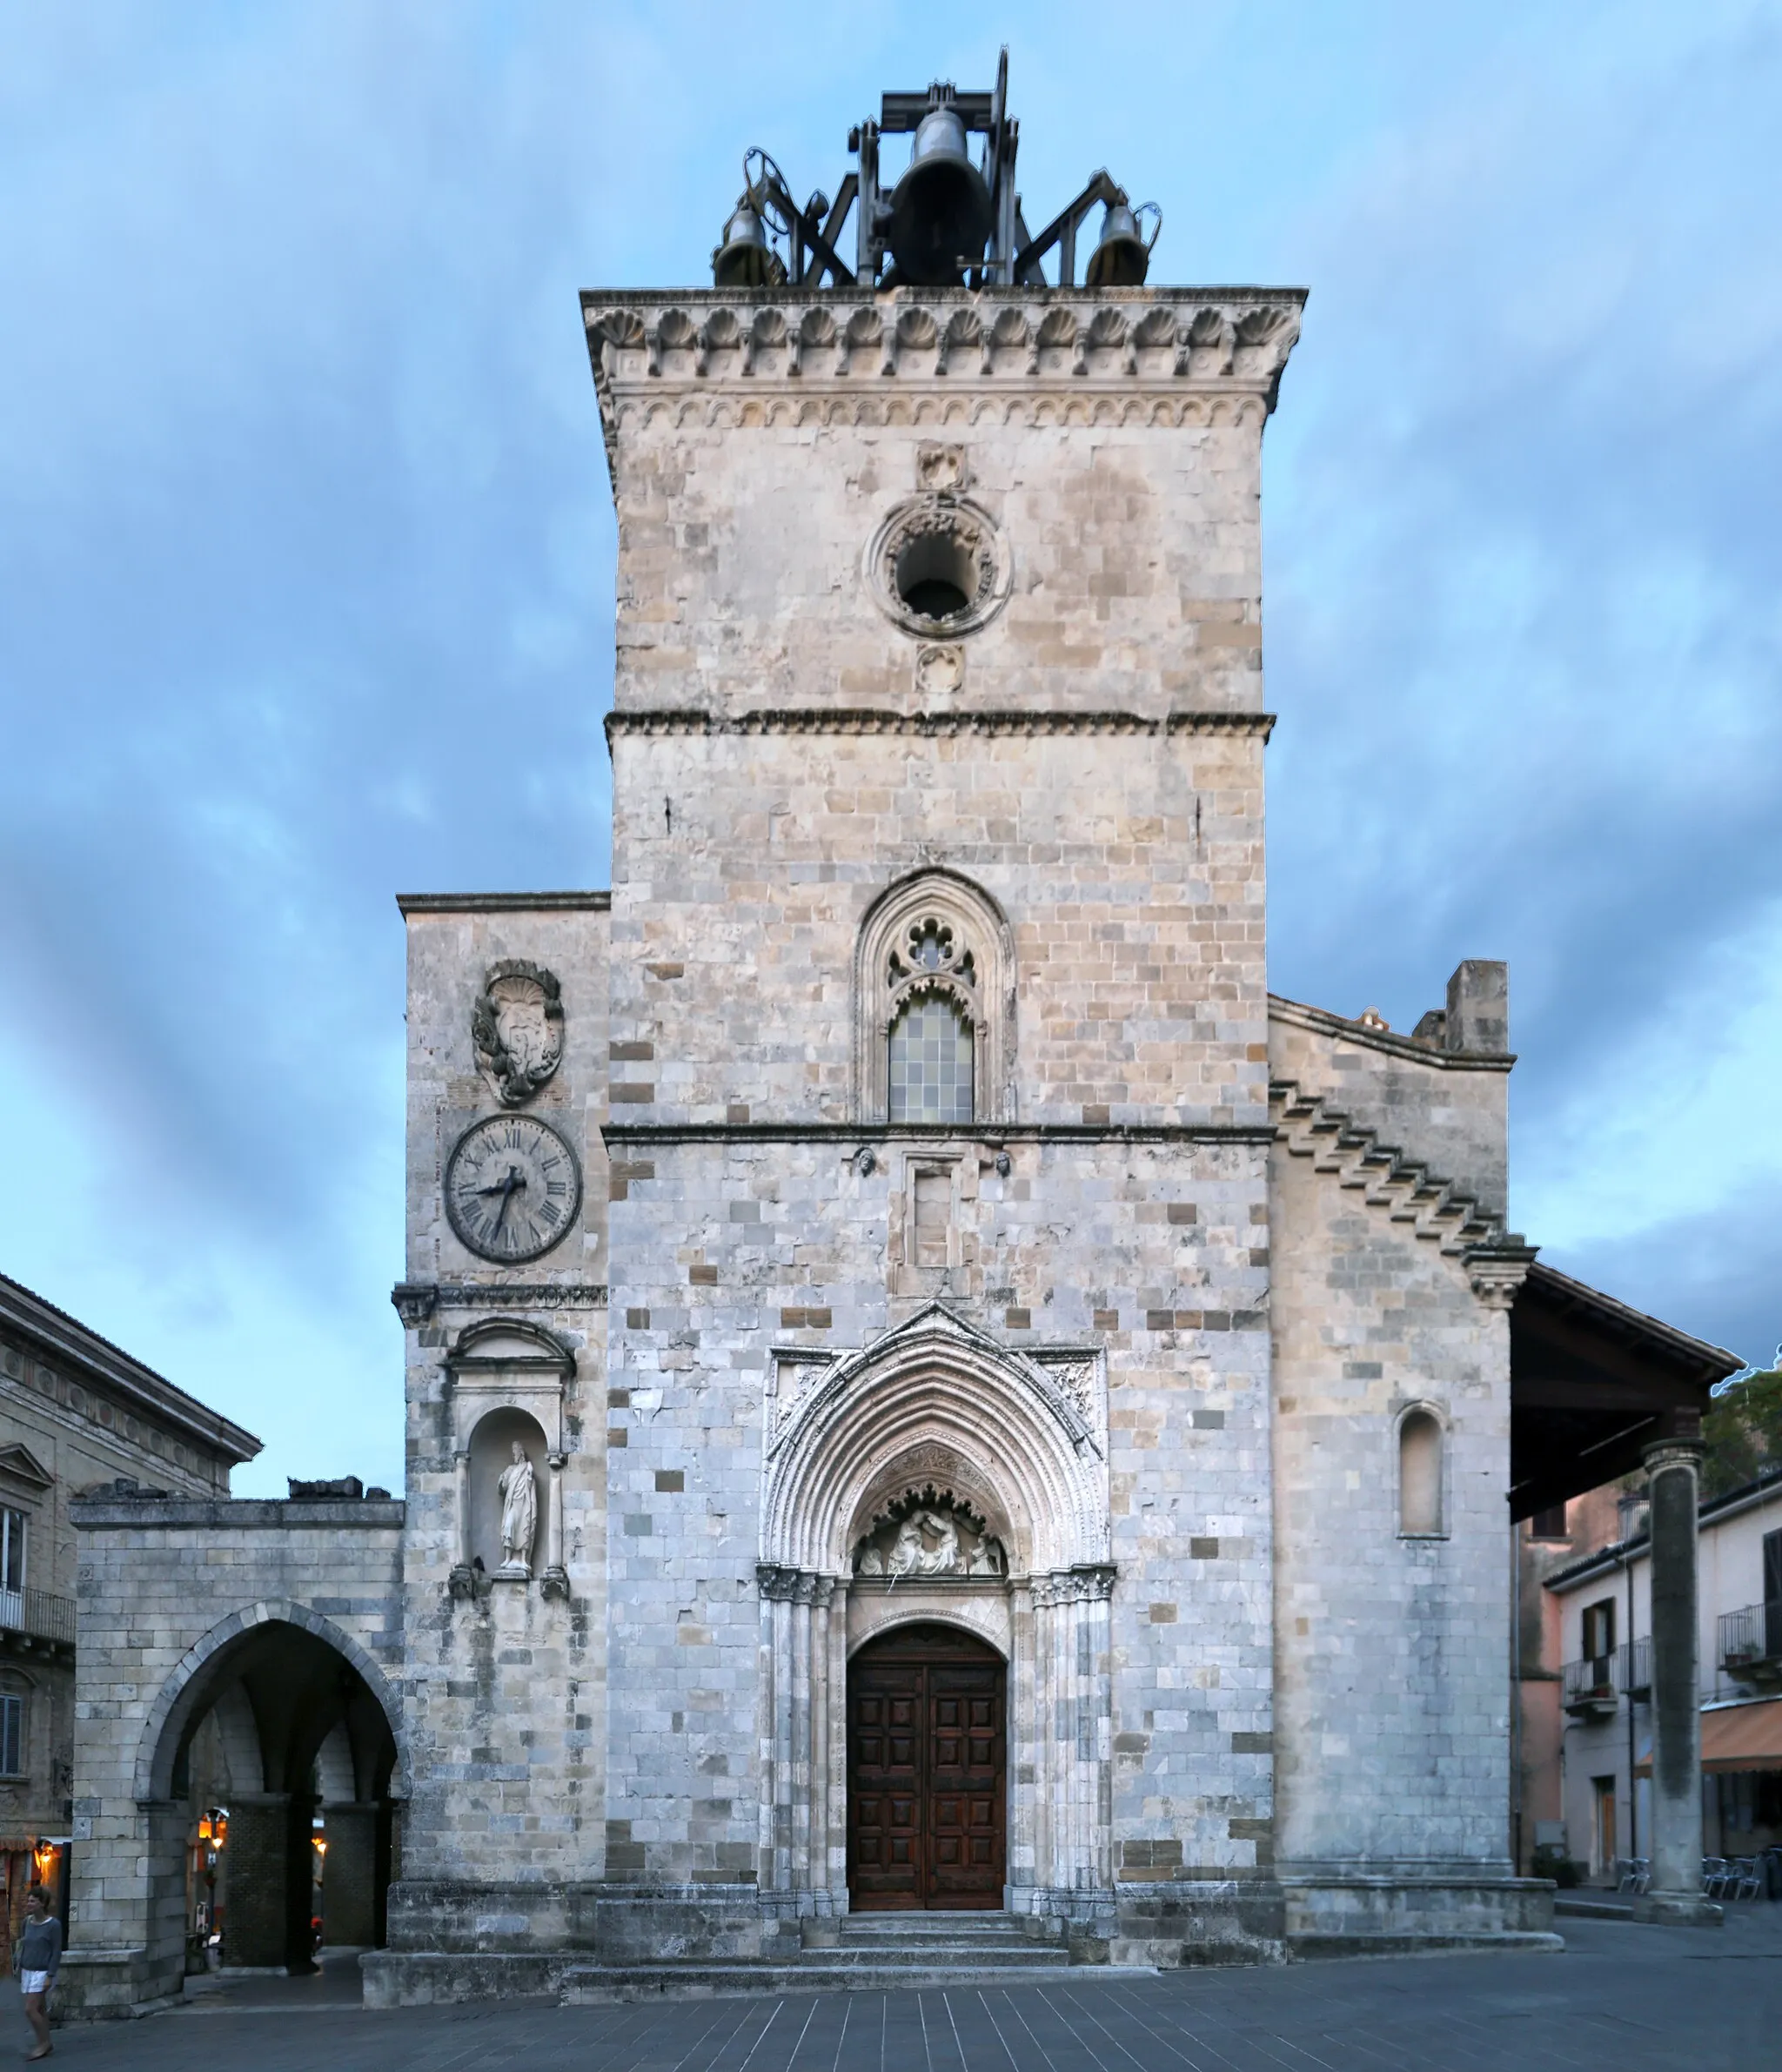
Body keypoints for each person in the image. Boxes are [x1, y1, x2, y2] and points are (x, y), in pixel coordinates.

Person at [13, 1884, 58, 2061]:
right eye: (28, 1900)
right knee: (40, 2009)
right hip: (27, 1970)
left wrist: (50, 1975)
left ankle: (43, 2043)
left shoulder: (53, 1925)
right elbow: (24, 1943)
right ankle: (46, 2042)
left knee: (30, 2009)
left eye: (33, 1901)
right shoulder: (27, 1922)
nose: (29, 1904)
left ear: (42, 1903)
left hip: (43, 1972)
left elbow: (56, 1951)